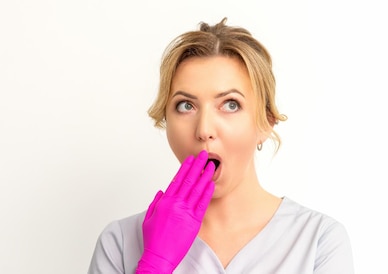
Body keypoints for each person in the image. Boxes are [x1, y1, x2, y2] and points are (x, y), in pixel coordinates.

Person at [87, 17, 354, 274]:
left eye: (230, 104)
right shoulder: (120, 243)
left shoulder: (319, 240)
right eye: (185, 106)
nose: (204, 130)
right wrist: (154, 265)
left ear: (266, 123)